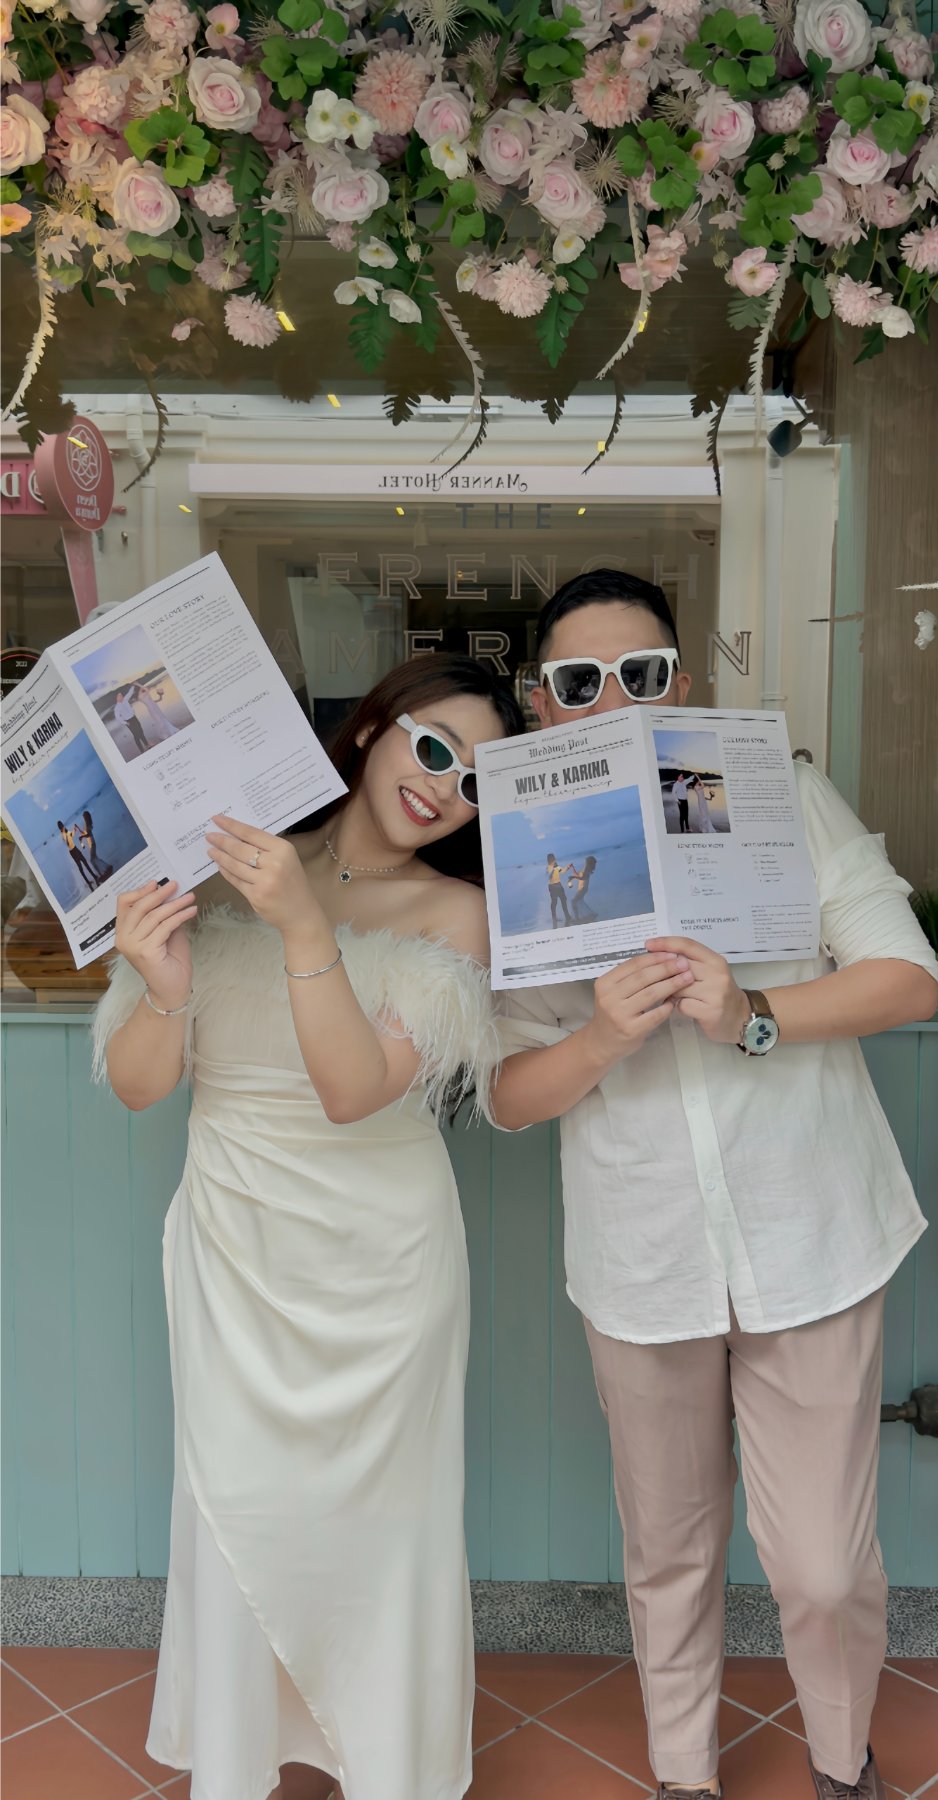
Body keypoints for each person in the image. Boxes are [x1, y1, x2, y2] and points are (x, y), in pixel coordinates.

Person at [489, 570, 938, 1800]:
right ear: (540, 704)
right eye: (578, 682)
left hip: (810, 1234)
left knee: (820, 1569)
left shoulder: (777, 793)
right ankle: (681, 1774)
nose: (611, 702)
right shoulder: (522, 852)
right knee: (668, 1552)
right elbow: (508, 1094)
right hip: (641, 1257)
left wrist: (752, 1014)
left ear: (679, 687)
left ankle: (840, 1763)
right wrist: (601, 1035)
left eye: (639, 675)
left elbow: (906, 976)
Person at [92, 655, 524, 1800]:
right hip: (234, 1244)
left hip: (381, 1260)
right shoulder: (222, 863)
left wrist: (298, 926)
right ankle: (238, 1765)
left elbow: (352, 1090)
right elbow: (139, 1085)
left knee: (383, 1530)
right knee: (235, 1514)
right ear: (374, 728)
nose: (443, 787)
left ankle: (387, 1769)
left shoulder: (456, 914)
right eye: (432, 748)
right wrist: (163, 982)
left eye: (476, 782)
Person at [130, 679, 179, 744]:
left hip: (155, 707)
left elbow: (153, 701)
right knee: (160, 722)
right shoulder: (139, 696)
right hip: (152, 709)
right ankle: (162, 735)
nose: (142, 688)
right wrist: (137, 684)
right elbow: (146, 689)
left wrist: (160, 696)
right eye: (141, 687)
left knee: (163, 720)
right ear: (138, 689)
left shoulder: (145, 693)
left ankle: (165, 733)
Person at [58, 818, 98, 891]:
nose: (63, 827)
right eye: (61, 827)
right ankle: (88, 882)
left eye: (62, 825)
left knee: (85, 863)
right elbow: (67, 843)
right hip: (72, 852)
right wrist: (66, 833)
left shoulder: (66, 832)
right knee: (80, 867)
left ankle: (94, 876)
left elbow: (71, 835)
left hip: (76, 849)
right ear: (60, 828)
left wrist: (74, 829)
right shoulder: (63, 835)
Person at [113, 689, 149, 755]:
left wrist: (132, 686)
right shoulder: (117, 707)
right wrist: (125, 723)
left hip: (134, 718)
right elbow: (118, 718)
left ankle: (147, 744)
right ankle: (142, 750)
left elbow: (129, 693)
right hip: (129, 722)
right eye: (119, 696)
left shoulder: (125, 700)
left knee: (140, 731)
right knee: (136, 735)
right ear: (117, 698)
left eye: (121, 695)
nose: (121, 697)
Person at [75, 810, 106, 881]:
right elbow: (84, 833)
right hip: (90, 843)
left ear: (86, 817)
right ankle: (105, 868)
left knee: (92, 860)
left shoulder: (88, 824)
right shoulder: (86, 824)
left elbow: (88, 834)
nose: (83, 818)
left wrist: (82, 837)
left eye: (84, 816)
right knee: (95, 858)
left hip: (92, 843)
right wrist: (78, 828)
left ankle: (101, 874)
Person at [566, 854, 598, 921]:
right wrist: (573, 868)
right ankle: (588, 915)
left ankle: (577, 918)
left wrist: (573, 877)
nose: (585, 862)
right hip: (583, 888)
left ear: (588, 863)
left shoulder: (587, 869)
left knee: (573, 901)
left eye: (586, 861)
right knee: (579, 902)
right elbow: (578, 875)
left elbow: (583, 878)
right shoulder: (586, 869)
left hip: (582, 888)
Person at [547, 851, 572, 926]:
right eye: (553, 859)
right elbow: (549, 876)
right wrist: (553, 868)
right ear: (552, 860)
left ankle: (567, 916)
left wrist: (568, 867)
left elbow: (562, 871)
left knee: (564, 900)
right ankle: (554, 918)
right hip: (552, 886)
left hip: (559, 885)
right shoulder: (548, 868)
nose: (554, 860)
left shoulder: (557, 866)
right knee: (554, 903)